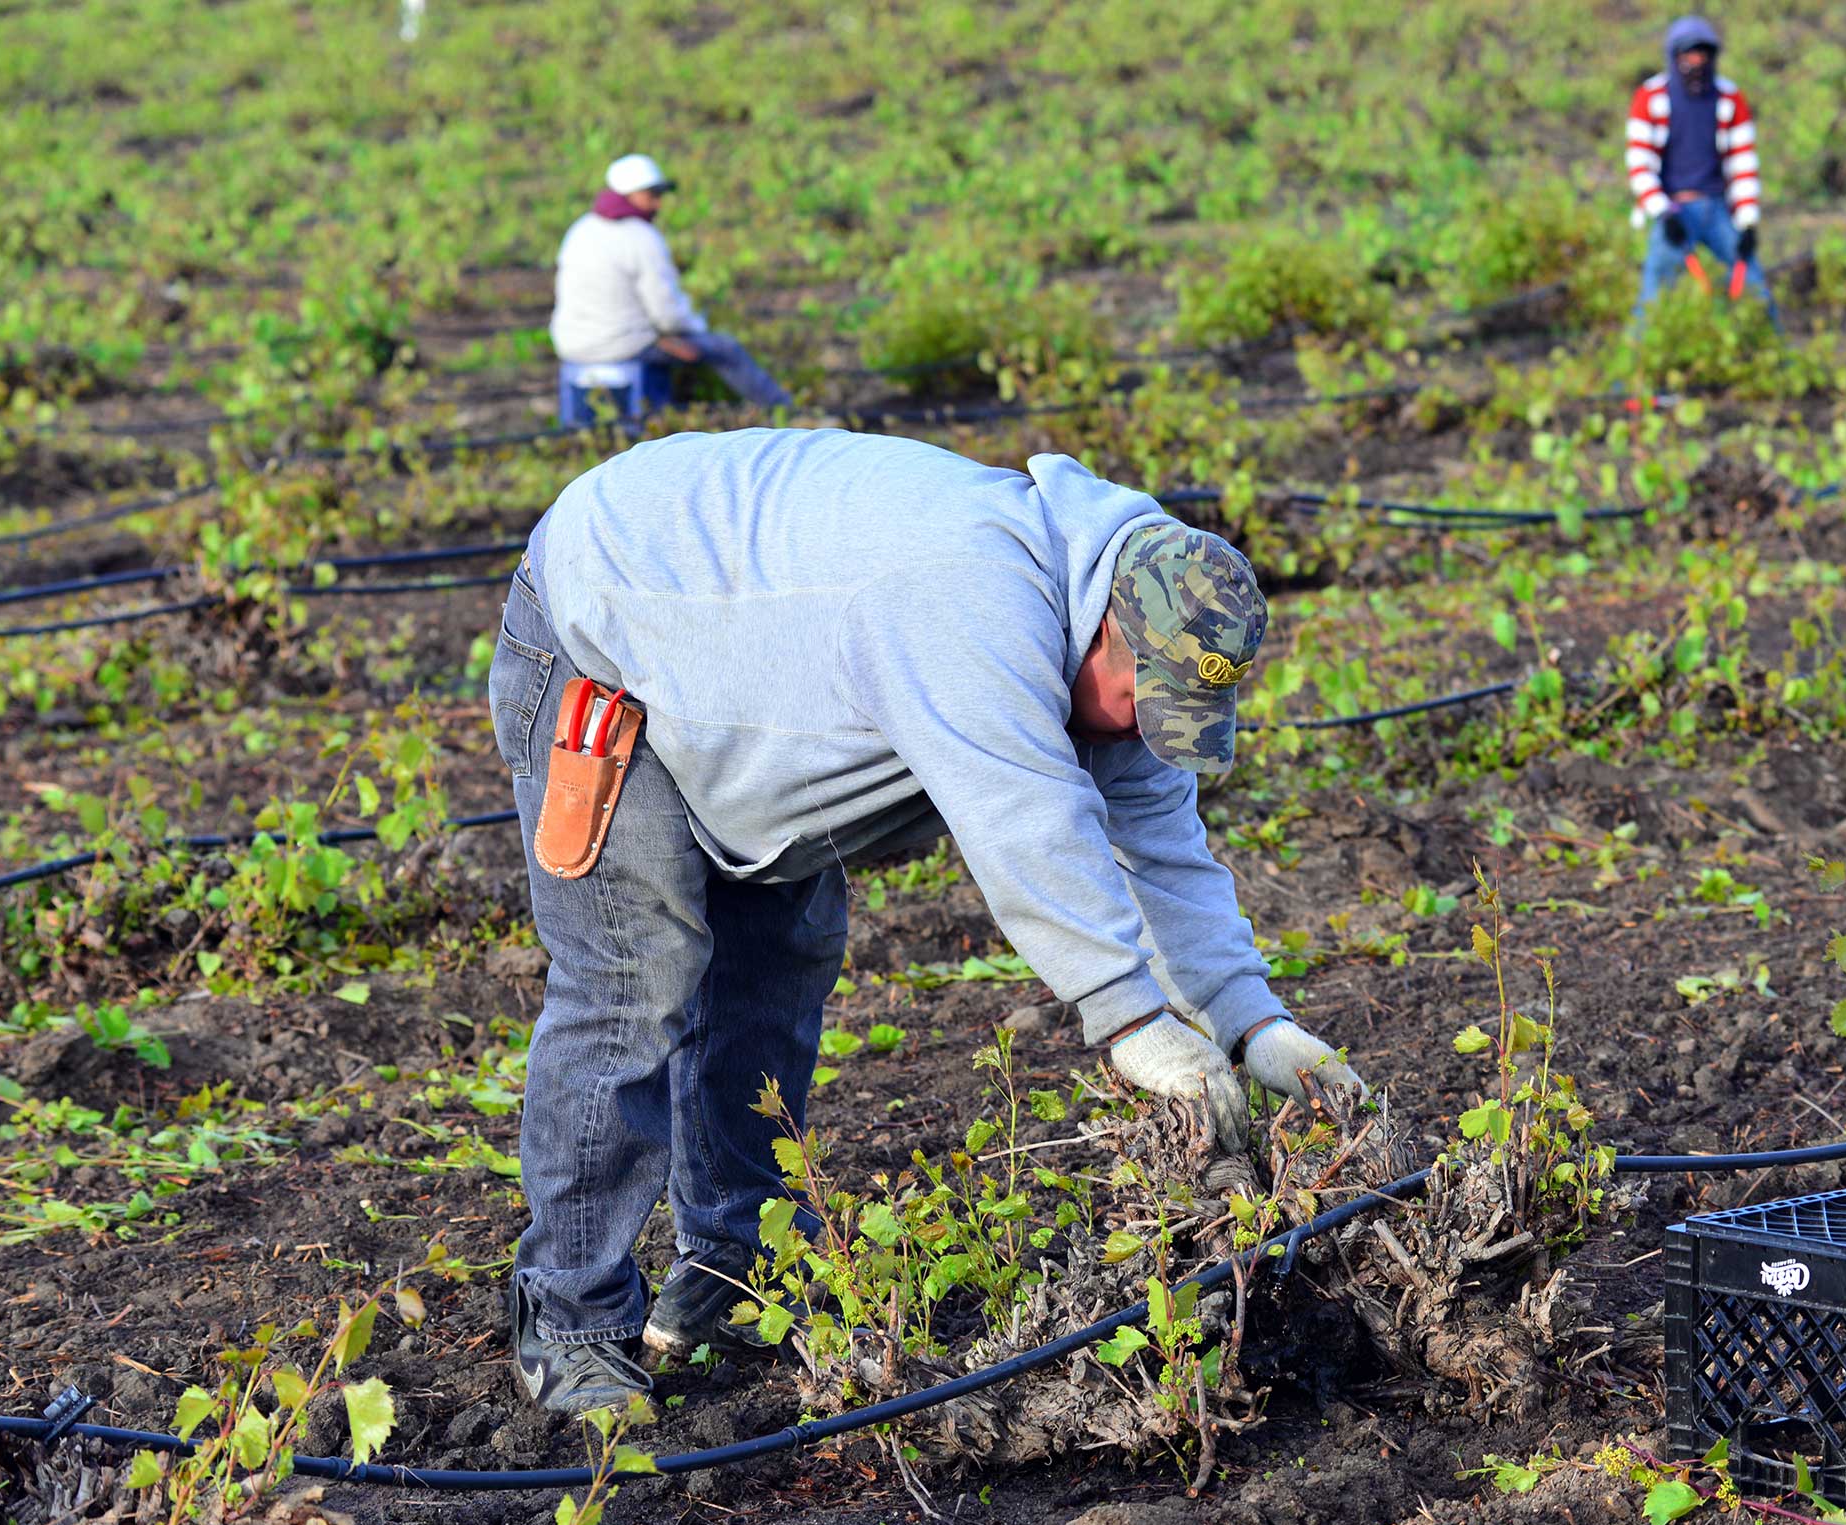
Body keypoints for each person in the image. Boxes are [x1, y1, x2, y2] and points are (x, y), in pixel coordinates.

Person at [489, 427, 1366, 1414]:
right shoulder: (969, 601)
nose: (1139, 728)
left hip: (747, 668)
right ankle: (568, 1318)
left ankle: (733, 1274)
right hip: (609, 619)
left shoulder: (1139, 605)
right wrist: (1134, 1024)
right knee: (632, 979)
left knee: (776, 957)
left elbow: (1157, 833)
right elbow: (1025, 824)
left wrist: (1250, 1021)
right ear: (1107, 632)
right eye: (1139, 699)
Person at [548, 153, 791, 421]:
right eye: (652, 194)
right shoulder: (642, 237)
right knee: (724, 349)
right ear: (631, 194)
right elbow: (667, 312)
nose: (658, 203)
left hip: (570, 345)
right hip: (622, 345)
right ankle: (787, 412)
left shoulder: (581, 229)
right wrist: (698, 328)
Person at [1626, 15, 1776, 326]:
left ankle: (1782, 366)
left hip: (1717, 208)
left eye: (1702, 55)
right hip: (1675, 210)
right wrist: (1662, 212)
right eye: (1689, 55)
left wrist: (1747, 222)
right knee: (1653, 299)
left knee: (1754, 287)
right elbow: (1639, 163)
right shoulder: (1651, 97)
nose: (1696, 62)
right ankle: (1630, 373)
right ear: (1675, 56)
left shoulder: (1729, 98)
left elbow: (1743, 162)